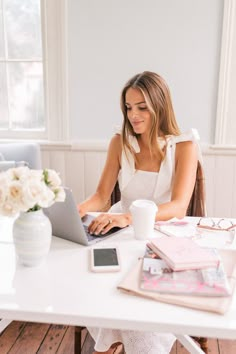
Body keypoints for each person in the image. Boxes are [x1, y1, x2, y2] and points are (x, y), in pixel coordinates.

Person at [78, 71, 200, 354]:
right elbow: (101, 196)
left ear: (160, 105)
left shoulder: (184, 146)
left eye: (142, 107)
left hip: (164, 232)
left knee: (140, 301)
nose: (134, 115)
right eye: (129, 108)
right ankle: (111, 344)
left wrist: (129, 217)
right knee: (103, 287)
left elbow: (179, 206)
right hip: (121, 232)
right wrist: (76, 210)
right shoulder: (119, 142)